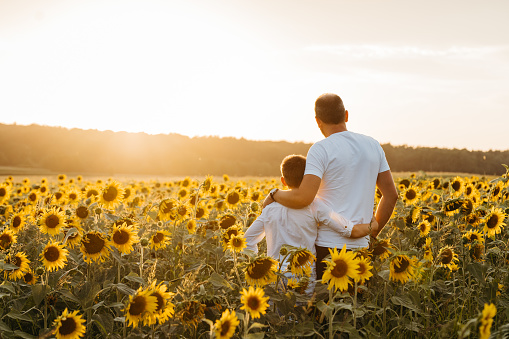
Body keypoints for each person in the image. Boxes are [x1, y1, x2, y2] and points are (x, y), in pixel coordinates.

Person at [263, 93, 398, 280]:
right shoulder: (373, 146)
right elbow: (391, 195)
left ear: (318, 121)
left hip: (328, 246)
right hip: (361, 247)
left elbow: (303, 198)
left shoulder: (320, 149)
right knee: (357, 306)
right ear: (346, 115)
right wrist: (373, 232)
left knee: (326, 306)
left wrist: (274, 194)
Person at [245, 154, 378, 294]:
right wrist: (373, 226)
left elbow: (248, 240)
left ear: (283, 181)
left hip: (274, 276)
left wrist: (259, 267)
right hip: (303, 275)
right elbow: (349, 230)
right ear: (309, 179)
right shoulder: (315, 205)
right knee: (302, 315)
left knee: (276, 315)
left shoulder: (270, 209)